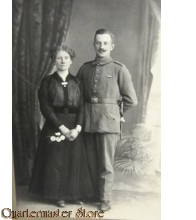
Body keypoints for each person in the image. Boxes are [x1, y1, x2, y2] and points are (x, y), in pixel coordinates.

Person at [77, 29, 138, 211]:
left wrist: (116, 113)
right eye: (98, 43)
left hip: (108, 123)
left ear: (112, 46)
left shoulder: (119, 69)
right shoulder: (85, 68)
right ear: (94, 44)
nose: (101, 47)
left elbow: (132, 100)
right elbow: (78, 95)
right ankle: (92, 193)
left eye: (105, 43)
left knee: (105, 163)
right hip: (88, 120)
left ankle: (105, 199)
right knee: (89, 160)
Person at [29, 45, 93, 207]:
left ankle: (74, 194)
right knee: (56, 160)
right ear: (54, 61)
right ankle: (57, 195)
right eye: (59, 58)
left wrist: (77, 128)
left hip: (74, 126)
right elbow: (46, 108)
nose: (63, 61)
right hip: (54, 125)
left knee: (74, 159)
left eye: (66, 57)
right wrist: (62, 128)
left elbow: (82, 108)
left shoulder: (77, 82)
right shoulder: (47, 82)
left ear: (71, 60)